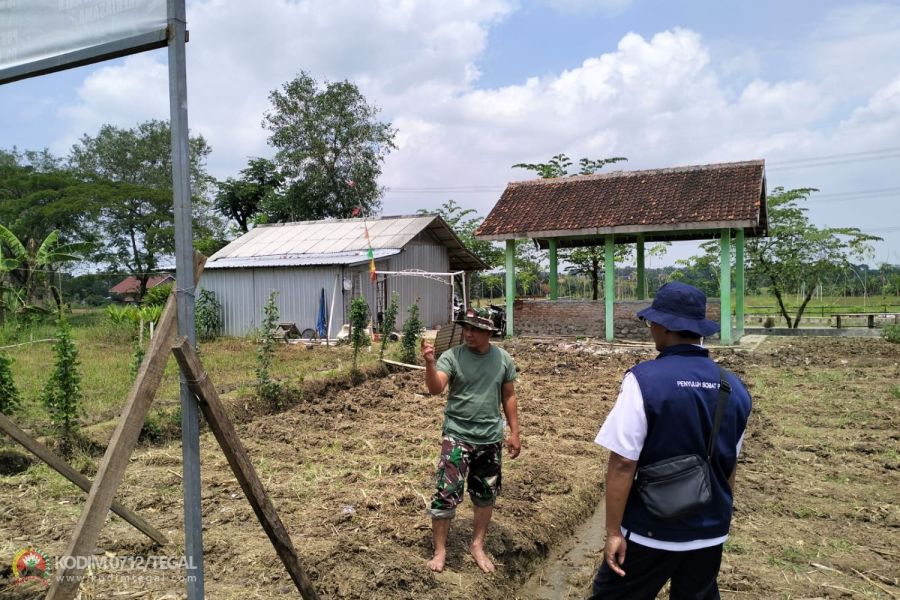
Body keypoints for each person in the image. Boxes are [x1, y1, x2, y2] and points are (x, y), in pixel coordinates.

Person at [589, 282, 752, 599]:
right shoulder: (734, 388)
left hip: (651, 530)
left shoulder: (643, 380)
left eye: (652, 323)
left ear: (663, 326)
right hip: (709, 533)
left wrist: (612, 532)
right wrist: (717, 519)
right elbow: (728, 466)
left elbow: (623, 463)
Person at [421, 307, 521, 573]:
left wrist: (514, 432)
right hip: (457, 436)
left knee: (485, 494)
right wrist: (430, 364)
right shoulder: (452, 356)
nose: (469, 333)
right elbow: (435, 388)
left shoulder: (502, 359)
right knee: (446, 492)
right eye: (466, 328)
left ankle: (477, 545)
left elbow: (508, 396)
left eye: (475, 329)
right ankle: (440, 551)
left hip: (489, 438)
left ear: (489, 332)